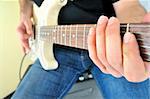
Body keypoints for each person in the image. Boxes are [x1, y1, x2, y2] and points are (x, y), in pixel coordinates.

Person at [12, 0, 150, 99]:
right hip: (54, 49)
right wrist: (24, 14)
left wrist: (137, 32)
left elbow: (127, 4)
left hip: (108, 47)